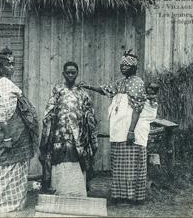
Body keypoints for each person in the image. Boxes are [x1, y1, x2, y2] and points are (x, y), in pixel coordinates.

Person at [80, 50, 148, 204]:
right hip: (119, 131)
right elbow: (106, 90)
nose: (123, 67)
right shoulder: (121, 82)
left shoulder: (137, 83)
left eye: (126, 65)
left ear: (134, 67)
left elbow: (137, 109)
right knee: (119, 164)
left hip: (131, 130)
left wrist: (131, 131)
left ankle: (132, 197)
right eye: (121, 65)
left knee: (130, 165)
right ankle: (119, 195)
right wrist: (88, 86)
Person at [0, 47, 38, 213]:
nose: (12, 67)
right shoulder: (5, 84)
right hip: (10, 135)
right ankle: (8, 204)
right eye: (8, 64)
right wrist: (7, 136)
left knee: (7, 171)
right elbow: (2, 113)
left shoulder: (4, 84)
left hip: (11, 134)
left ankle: (3, 202)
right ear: (0, 67)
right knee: (8, 170)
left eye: (13, 64)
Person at [39, 61, 98, 197]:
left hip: (78, 137)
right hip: (59, 136)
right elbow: (49, 112)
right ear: (63, 74)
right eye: (68, 72)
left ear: (77, 74)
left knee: (77, 162)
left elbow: (90, 114)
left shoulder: (82, 94)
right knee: (60, 161)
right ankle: (61, 192)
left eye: (73, 72)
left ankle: (77, 192)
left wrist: (86, 127)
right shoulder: (58, 90)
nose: (70, 75)